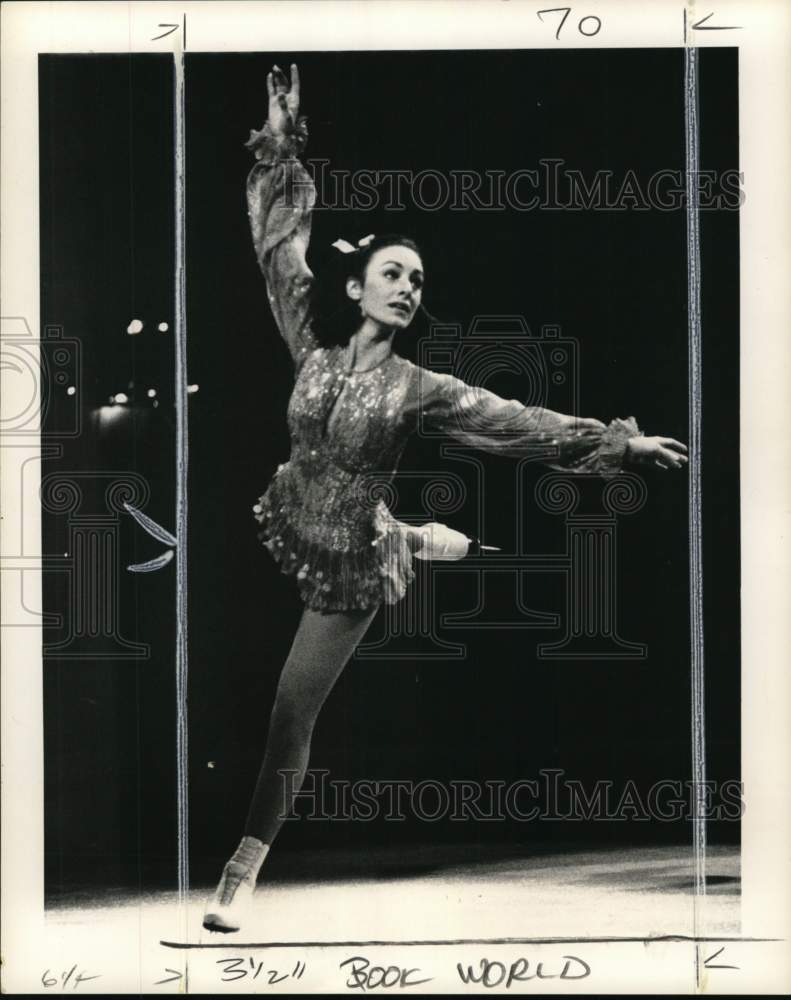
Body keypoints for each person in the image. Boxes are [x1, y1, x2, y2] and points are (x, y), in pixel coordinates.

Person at [203, 63, 688, 933]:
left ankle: (243, 868)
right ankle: (421, 535)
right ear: (355, 287)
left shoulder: (420, 386)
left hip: (349, 552)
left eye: (417, 281)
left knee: (289, 708)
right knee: (266, 668)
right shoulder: (309, 343)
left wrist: (615, 440)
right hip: (293, 507)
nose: (406, 287)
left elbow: (515, 419)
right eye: (392, 272)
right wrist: (279, 142)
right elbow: (279, 248)